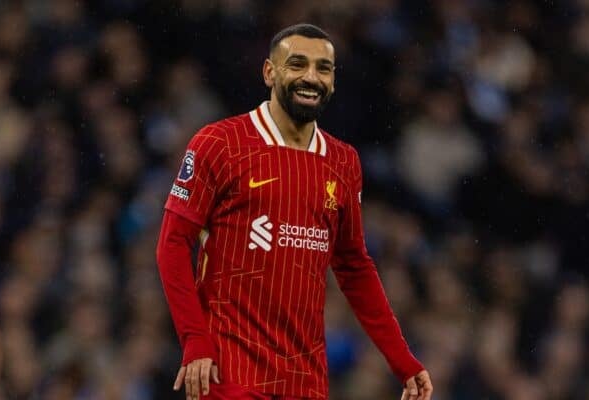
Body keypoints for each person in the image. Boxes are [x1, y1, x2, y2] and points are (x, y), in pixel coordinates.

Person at [156, 23, 433, 400]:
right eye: (297, 64)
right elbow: (172, 244)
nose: (311, 77)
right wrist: (195, 341)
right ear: (270, 72)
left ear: (333, 81)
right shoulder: (219, 144)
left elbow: (354, 266)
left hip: (305, 381)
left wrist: (403, 361)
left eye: (323, 68)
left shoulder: (343, 162)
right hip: (229, 373)